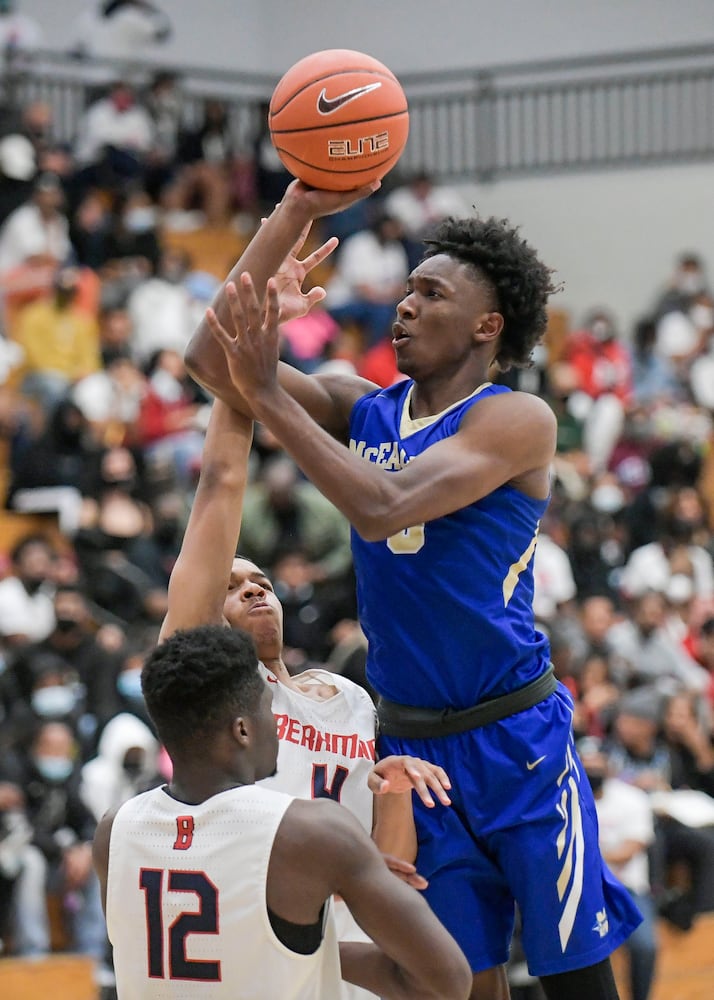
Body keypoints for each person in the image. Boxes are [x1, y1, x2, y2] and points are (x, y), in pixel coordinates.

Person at [185, 177, 644, 1000]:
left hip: (517, 742)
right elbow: (210, 360)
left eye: (430, 293)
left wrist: (264, 392)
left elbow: (381, 506)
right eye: (404, 290)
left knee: (579, 985)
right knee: (460, 988)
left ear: (486, 325)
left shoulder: (516, 421)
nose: (403, 306)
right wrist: (291, 217)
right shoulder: (365, 407)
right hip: (412, 749)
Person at [158, 366, 456, 1000]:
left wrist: (395, 790)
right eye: (232, 586)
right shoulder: (222, 694)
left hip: (352, 935)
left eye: (260, 579)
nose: (254, 588)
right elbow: (220, 484)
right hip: (266, 933)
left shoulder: (348, 696)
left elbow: (390, 862)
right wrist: (237, 377)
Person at [93, 623, 472, 999]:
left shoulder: (114, 828)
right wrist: (307, 949)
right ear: (243, 730)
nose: (275, 724)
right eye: (267, 710)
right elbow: (447, 979)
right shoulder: (310, 832)